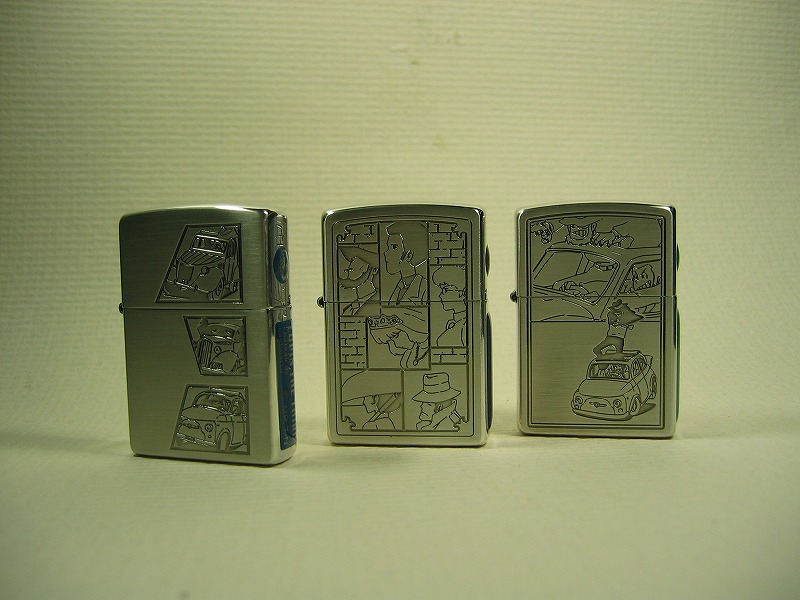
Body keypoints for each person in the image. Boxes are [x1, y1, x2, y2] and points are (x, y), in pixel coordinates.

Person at [383, 221, 428, 304]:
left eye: (394, 247)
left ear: (409, 255)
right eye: (387, 247)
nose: (386, 253)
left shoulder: (424, 290)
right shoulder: (399, 288)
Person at [432, 265, 467, 346]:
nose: (441, 295)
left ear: (463, 292)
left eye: (445, 289)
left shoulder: (466, 326)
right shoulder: (453, 323)